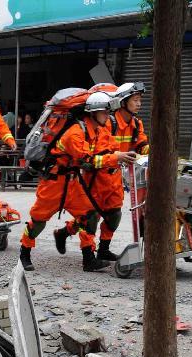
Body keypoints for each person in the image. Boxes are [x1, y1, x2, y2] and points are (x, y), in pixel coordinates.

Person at [19, 91, 137, 273]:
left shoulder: (96, 130)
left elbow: (106, 149)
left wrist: (120, 155)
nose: (108, 116)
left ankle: (89, 259)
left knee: (89, 215)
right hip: (54, 183)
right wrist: (116, 157)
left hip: (72, 182)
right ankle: (24, 253)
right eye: (105, 112)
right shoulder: (74, 133)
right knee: (38, 221)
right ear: (93, 113)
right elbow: (87, 161)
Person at [60, 82, 150, 261]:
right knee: (91, 216)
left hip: (115, 175)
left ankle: (103, 249)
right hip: (96, 176)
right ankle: (69, 236)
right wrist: (118, 155)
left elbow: (142, 145)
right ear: (123, 101)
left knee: (114, 215)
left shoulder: (136, 124)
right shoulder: (107, 121)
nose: (139, 104)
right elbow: (97, 150)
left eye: (140, 100)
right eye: (135, 100)